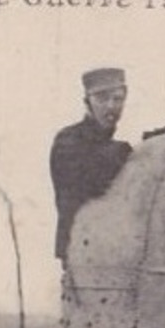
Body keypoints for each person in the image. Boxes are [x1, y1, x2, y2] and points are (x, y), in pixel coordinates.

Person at [49, 66, 134, 261]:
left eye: (118, 99)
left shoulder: (113, 146)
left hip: (108, 251)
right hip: (80, 251)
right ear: (87, 102)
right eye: (102, 99)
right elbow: (92, 182)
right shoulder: (68, 140)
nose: (111, 106)